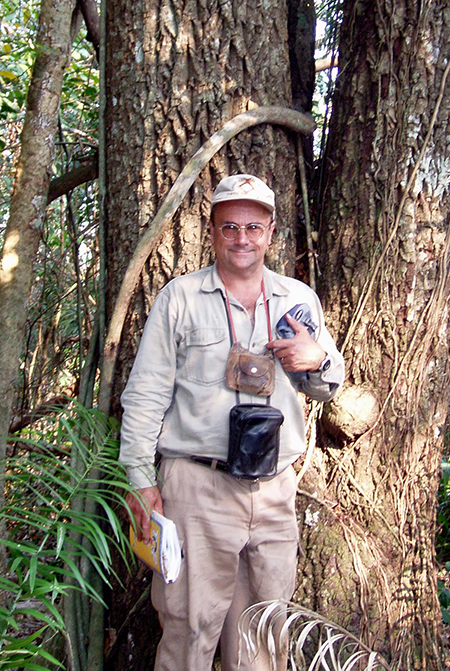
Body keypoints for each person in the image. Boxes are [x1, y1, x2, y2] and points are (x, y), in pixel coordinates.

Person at [119, 173, 344, 671]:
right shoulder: (179, 298)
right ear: (213, 230)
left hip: (273, 490)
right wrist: (138, 478)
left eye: (253, 227)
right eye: (229, 227)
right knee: (187, 626)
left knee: (264, 633)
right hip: (198, 486)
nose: (242, 239)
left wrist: (317, 359)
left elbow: (328, 387)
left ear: (270, 232)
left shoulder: (296, 300)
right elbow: (146, 393)